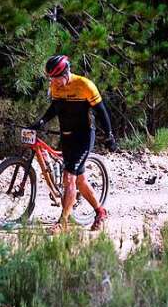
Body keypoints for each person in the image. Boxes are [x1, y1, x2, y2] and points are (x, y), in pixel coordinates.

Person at [32, 55, 116, 232]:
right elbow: (55, 108)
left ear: (66, 73)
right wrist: (40, 122)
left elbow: (101, 112)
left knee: (69, 178)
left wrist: (109, 135)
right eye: (51, 79)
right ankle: (100, 211)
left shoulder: (85, 85)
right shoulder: (55, 86)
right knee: (80, 181)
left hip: (84, 137)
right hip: (67, 136)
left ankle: (62, 223)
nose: (53, 82)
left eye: (55, 78)